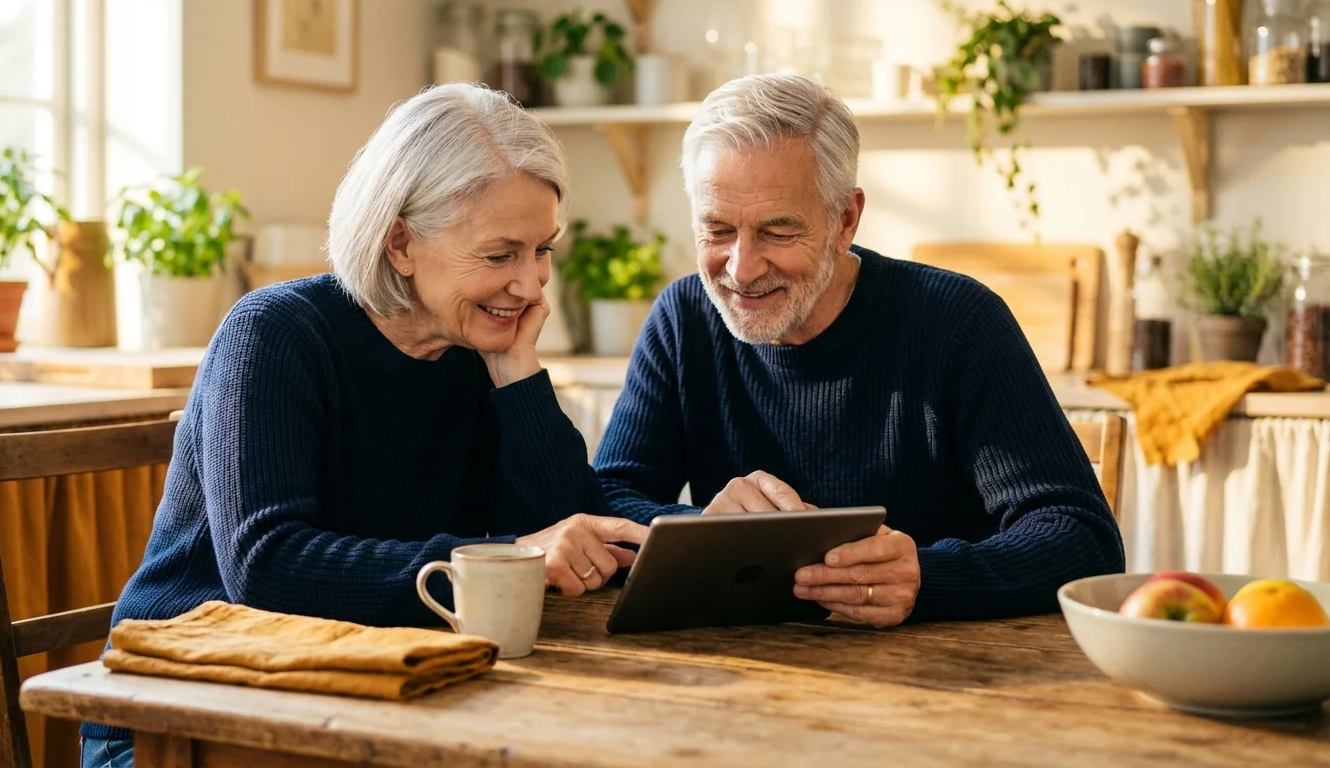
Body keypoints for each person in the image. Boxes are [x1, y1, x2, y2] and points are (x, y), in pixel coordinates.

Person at [79, 83, 639, 767]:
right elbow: (268, 566)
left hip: (360, 690)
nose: (531, 285)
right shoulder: (274, 335)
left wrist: (518, 374)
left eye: (542, 250)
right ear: (400, 242)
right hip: (185, 712)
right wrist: (498, 561)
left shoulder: (474, 350)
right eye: (500, 256)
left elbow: (569, 546)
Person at [594, 74, 1124, 629]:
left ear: (845, 219)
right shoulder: (684, 319)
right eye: (718, 229)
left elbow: (1083, 538)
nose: (741, 269)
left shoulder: (958, 322)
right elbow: (606, 499)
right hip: (745, 671)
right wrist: (702, 527)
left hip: (945, 681)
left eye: (777, 232)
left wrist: (927, 576)